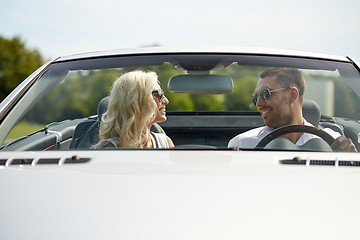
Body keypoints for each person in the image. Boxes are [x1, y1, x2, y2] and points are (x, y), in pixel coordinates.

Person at [228, 67, 357, 152]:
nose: (258, 103)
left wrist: (351, 160)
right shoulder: (242, 144)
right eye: (256, 97)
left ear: (292, 95)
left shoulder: (334, 142)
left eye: (265, 94)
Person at [93, 70, 174, 149]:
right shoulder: (110, 149)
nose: (166, 101)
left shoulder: (165, 142)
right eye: (159, 94)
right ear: (137, 101)